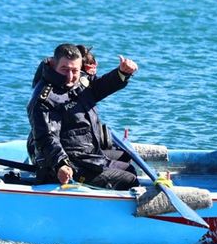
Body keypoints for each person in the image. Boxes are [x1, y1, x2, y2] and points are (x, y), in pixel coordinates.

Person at [28, 43, 140, 190]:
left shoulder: (79, 81)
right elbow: (47, 137)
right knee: (129, 179)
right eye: (64, 69)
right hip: (65, 164)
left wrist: (122, 73)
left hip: (86, 154)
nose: (69, 77)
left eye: (74, 70)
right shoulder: (45, 98)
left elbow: (99, 87)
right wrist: (61, 164)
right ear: (53, 64)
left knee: (127, 161)